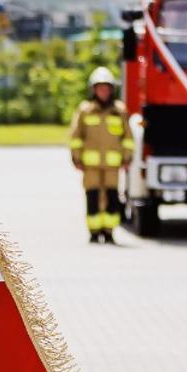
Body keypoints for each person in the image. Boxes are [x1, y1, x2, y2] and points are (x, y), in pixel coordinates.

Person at [68, 67, 131, 243]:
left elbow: (128, 138)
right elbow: (76, 136)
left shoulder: (119, 111)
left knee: (112, 197)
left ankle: (109, 231)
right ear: (93, 89)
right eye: (100, 88)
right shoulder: (85, 110)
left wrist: (127, 158)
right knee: (93, 197)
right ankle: (94, 232)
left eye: (106, 87)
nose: (103, 91)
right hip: (90, 165)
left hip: (112, 165)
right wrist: (76, 158)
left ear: (112, 89)